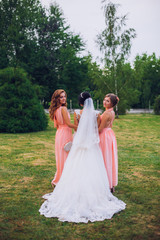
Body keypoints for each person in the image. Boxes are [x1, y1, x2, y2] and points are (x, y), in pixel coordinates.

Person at [39, 92, 125, 223]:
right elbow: (96, 129)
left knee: (75, 166)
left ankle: (73, 189)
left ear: (80, 103)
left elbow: (77, 130)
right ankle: (97, 190)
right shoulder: (96, 114)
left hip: (80, 143)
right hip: (91, 144)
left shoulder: (77, 113)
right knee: (93, 166)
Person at [49, 89, 77, 187]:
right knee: (67, 157)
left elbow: (56, 125)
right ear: (57, 99)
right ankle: (65, 180)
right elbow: (69, 124)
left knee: (61, 157)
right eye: (61, 97)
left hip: (59, 134)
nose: (64, 98)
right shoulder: (63, 109)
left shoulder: (55, 109)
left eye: (64, 96)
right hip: (65, 133)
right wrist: (79, 127)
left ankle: (59, 179)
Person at [98, 93, 119, 193]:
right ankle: (110, 184)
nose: (104, 102)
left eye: (107, 101)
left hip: (104, 135)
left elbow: (100, 129)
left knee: (104, 158)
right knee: (109, 158)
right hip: (109, 134)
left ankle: (105, 183)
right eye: (104, 100)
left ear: (112, 103)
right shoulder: (111, 112)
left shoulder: (106, 113)